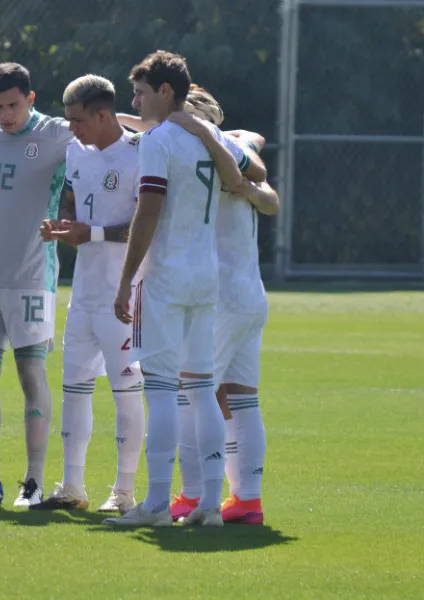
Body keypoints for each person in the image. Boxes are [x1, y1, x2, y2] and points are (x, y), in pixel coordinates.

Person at [104, 50, 244, 528]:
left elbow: (148, 211)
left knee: (161, 389)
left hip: (164, 276)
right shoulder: (211, 138)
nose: (136, 102)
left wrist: (125, 280)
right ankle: (209, 504)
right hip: (206, 275)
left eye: (141, 93)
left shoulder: (160, 140)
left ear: (166, 92)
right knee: (202, 388)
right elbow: (245, 179)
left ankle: (158, 504)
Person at [0, 63, 75, 508]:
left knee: (30, 374)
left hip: (31, 277)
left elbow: (111, 132)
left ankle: (35, 482)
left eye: (14, 105)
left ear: (31, 99)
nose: (6, 115)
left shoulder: (59, 133)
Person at [30, 75, 144, 513]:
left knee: (125, 391)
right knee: (74, 386)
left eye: (77, 119)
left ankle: (124, 492)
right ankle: (72, 486)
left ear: (103, 115)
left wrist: (90, 233)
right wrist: (62, 225)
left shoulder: (139, 152)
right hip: (84, 293)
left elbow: (148, 225)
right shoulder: (76, 150)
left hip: (127, 293)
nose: (70, 128)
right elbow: (74, 199)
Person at [173, 86, 277, 525]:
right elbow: (255, 142)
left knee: (189, 394)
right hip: (249, 294)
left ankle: (194, 495)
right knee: (241, 397)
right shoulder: (233, 149)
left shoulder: (195, 153)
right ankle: (247, 500)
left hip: (217, 296)